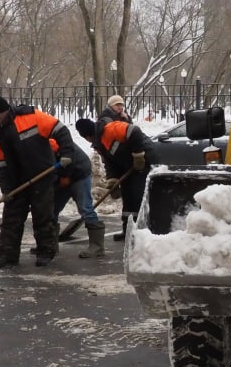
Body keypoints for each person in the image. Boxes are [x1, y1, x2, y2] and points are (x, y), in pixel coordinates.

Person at [0, 95, 76, 269]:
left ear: (5, 111)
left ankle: (45, 253)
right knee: (11, 219)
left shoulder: (31, 117)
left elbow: (61, 131)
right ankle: (8, 256)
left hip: (42, 175)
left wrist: (66, 155)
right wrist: (6, 189)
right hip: (17, 182)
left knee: (42, 216)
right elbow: (1, 165)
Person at [92, 95, 155, 240]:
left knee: (137, 196)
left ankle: (139, 231)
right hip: (123, 163)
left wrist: (138, 156)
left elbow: (132, 136)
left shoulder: (124, 118)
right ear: (110, 106)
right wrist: (112, 178)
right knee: (128, 198)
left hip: (133, 163)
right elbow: (109, 155)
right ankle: (127, 230)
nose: (120, 107)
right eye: (117, 105)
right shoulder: (106, 121)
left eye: (121, 104)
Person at [50, 129, 106, 258]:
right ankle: (49, 245)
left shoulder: (50, 141)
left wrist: (65, 176)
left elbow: (67, 158)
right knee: (51, 209)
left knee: (85, 208)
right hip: (61, 175)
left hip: (79, 172)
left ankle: (97, 247)